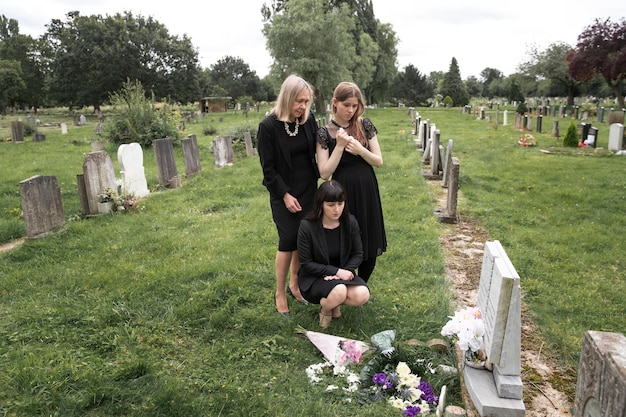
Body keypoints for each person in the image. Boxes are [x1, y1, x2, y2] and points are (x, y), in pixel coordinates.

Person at [257, 74, 320, 317]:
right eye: (299, 101)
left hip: (308, 189)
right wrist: (284, 195)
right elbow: (268, 169)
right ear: (287, 98)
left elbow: (318, 147)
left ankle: (296, 283)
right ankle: (280, 291)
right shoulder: (268, 126)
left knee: (302, 238)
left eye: (306, 101)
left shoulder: (307, 120)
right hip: (282, 191)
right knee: (287, 239)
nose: (303, 106)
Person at [316, 81, 387, 282]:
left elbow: (378, 161)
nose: (350, 110)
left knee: (368, 236)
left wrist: (359, 150)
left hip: (366, 188)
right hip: (342, 192)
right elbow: (324, 173)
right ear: (335, 103)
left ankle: (361, 284)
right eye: (347, 105)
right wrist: (339, 147)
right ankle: (341, 282)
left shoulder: (365, 125)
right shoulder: (324, 132)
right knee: (344, 236)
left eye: (355, 106)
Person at [297, 180, 370, 328]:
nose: (337, 209)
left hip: (343, 274)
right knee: (339, 290)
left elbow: (358, 254)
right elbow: (306, 263)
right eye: (331, 205)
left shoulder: (351, 222)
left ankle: (334, 302)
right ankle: (326, 310)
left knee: (363, 294)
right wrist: (336, 272)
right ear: (321, 204)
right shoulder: (307, 227)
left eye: (340, 203)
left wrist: (345, 272)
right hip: (314, 277)